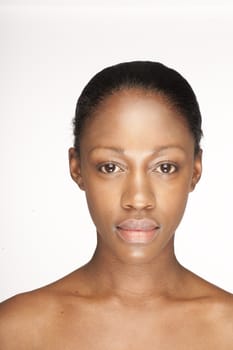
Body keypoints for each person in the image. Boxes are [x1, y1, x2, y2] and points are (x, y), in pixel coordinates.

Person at [0, 61, 232, 349]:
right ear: (77, 167)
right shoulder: (14, 331)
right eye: (110, 167)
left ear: (195, 170)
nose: (137, 199)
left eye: (165, 167)